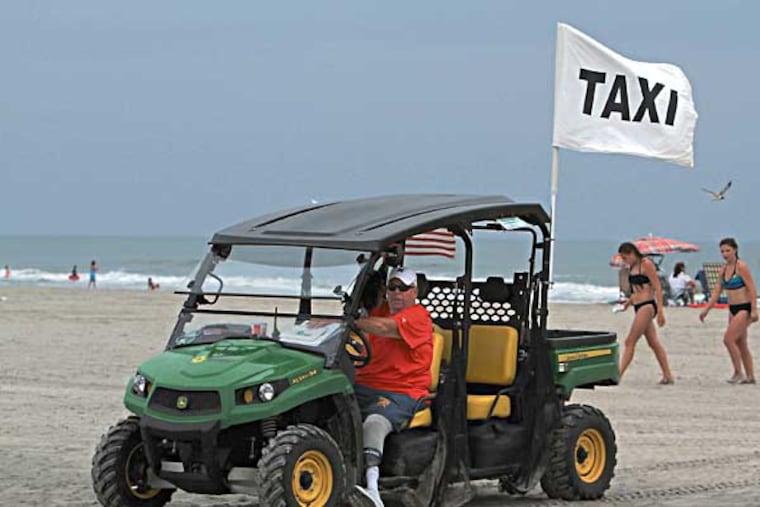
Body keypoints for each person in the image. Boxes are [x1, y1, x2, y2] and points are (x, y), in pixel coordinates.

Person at [351, 267, 433, 506]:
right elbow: (369, 320)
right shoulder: (379, 311)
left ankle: (372, 489)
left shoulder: (418, 317)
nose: (397, 293)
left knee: (375, 421)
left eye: (403, 288)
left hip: (402, 391)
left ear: (414, 291)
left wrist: (353, 322)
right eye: (392, 288)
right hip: (364, 384)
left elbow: (385, 328)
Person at [699, 238, 758, 384]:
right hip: (732, 309)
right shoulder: (723, 270)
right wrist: (706, 309)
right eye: (722, 251)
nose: (725, 254)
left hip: (744, 308)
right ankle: (750, 376)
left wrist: (754, 310)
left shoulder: (741, 267)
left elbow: (751, 288)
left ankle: (738, 372)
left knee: (728, 339)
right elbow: (717, 292)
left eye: (728, 250)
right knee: (741, 342)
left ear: (735, 250)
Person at [617, 243, 675, 385]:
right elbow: (636, 290)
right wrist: (628, 303)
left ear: (632, 253)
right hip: (637, 304)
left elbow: (657, 287)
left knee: (630, 341)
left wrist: (661, 311)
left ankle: (618, 374)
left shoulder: (646, 264)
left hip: (647, 306)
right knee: (653, 343)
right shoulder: (632, 267)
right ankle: (668, 375)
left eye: (625, 258)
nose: (625, 261)